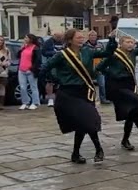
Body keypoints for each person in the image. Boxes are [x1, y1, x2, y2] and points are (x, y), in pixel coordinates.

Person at [42, 28, 111, 164]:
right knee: (86, 121)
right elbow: (45, 68)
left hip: (85, 91)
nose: (82, 39)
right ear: (70, 40)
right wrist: (56, 79)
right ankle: (98, 149)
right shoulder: (62, 55)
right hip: (68, 94)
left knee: (86, 122)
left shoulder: (87, 52)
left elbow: (107, 52)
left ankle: (76, 153)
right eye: (78, 37)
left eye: (82, 37)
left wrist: (113, 40)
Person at [98, 34, 138, 150]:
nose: (130, 44)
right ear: (121, 43)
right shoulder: (114, 55)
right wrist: (110, 74)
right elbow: (100, 67)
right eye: (127, 42)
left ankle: (127, 139)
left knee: (132, 113)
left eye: (132, 42)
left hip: (129, 85)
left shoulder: (133, 53)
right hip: (117, 87)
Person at [39, 31, 65, 107]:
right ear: (54, 36)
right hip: (51, 64)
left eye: (61, 37)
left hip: (61, 64)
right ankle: (50, 99)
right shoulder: (48, 42)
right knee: (50, 82)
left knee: (61, 82)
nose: (59, 39)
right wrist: (54, 53)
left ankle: (60, 98)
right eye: (58, 37)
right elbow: (44, 52)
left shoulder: (64, 42)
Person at [17, 34, 43, 110]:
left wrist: (32, 69)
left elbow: (38, 60)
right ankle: (25, 102)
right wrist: (21, 49)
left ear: (31, 39)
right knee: (22, 87)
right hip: (21, 70)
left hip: (31, 70)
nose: (24, 39)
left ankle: (35, 102)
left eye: (26, 38)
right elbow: (18, 56)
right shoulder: (24, 47)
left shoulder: (35, 48)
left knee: (33, 87)